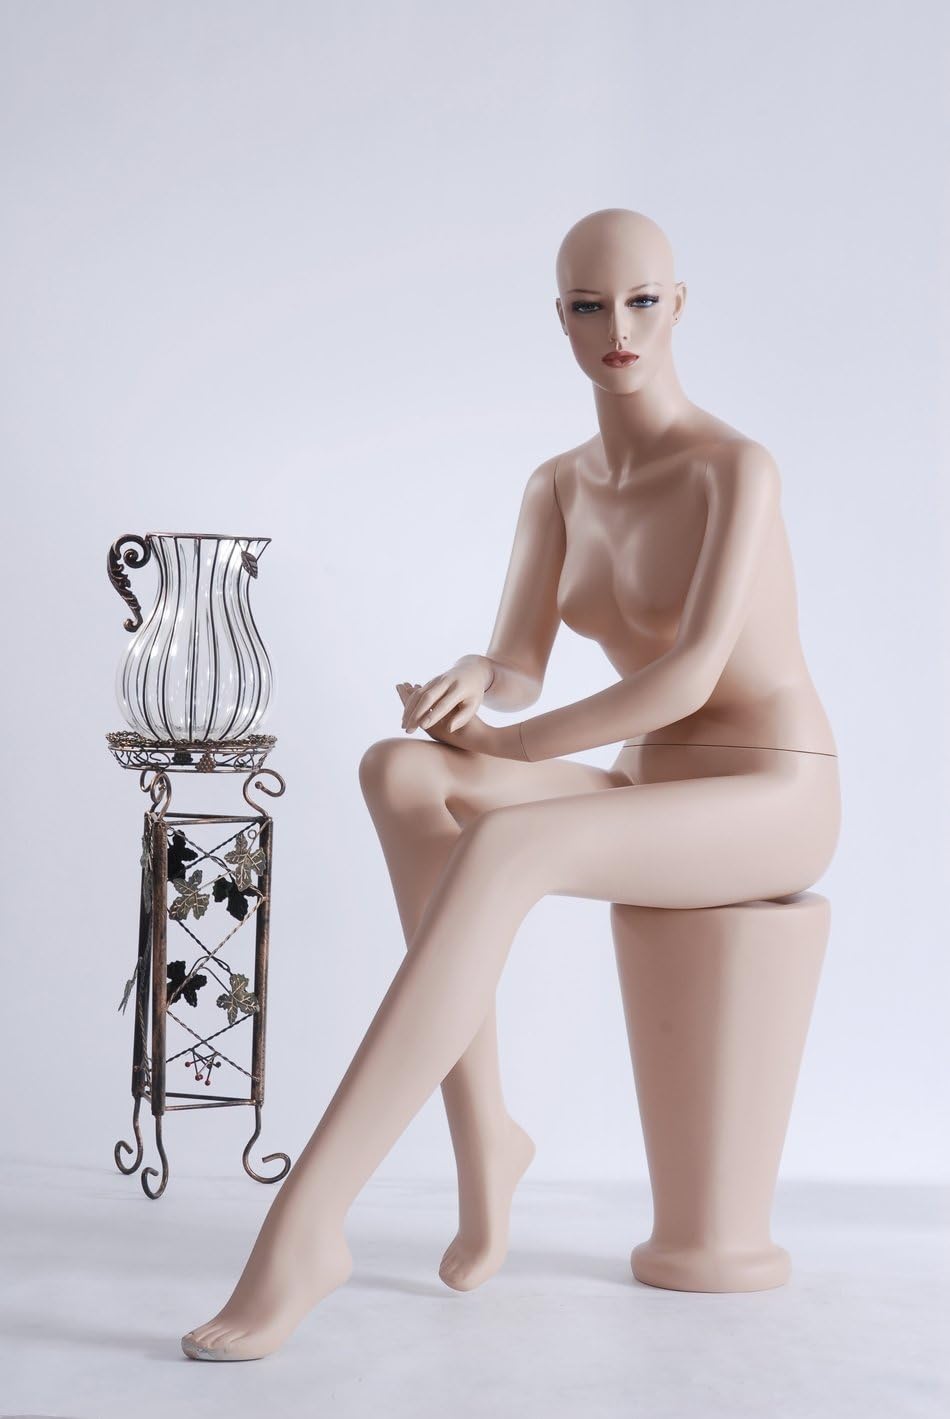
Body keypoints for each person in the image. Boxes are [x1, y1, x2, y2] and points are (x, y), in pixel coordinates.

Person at [181, 207, 840, 1361]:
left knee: (507, 840)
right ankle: (484, 1134)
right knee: (400, 771)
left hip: (769, 790)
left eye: (641, 302)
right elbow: (521, 663)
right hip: (647, 791)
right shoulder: (556, 487)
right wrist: (475, 684)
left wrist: (515, 751)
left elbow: (687, 678)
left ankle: (307, 1226)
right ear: (561, 320)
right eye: (589, 306)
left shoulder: (734, 469)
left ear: (676, 307)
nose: (618, 328)